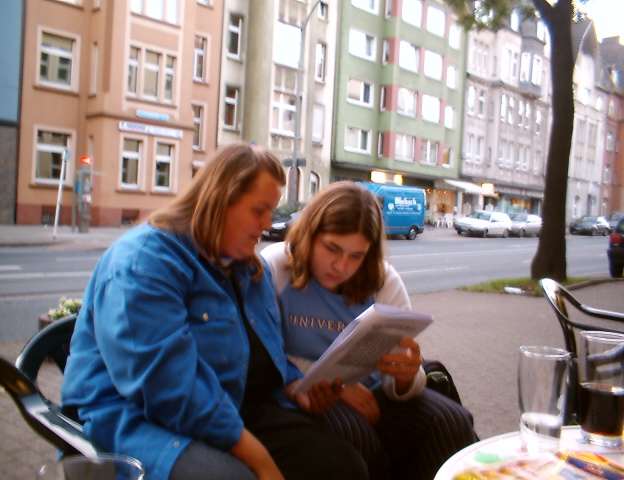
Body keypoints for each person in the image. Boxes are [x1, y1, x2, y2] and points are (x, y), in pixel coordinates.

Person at [61, 143, 368, 480]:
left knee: (344, 466)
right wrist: (260, 460)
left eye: (271, 210)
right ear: (219, 199)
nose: (268, 224)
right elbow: (169, 389)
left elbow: (267, 358)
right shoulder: (144, 265)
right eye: (259, 210)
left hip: (233, 410)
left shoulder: (248, 268)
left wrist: (297, 387)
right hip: (134, 419)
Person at [261, 181, 478, 480]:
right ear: (310, 234)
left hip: (376, 393)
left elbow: (401, 378)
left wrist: (406, 378)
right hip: (302, 393)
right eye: (332, 248)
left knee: (450, 422)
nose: (341, 266)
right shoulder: (277, 266)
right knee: (354, 435)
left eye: (357, 256)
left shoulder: (383, 280)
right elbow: (263, 351)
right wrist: (338, 386)